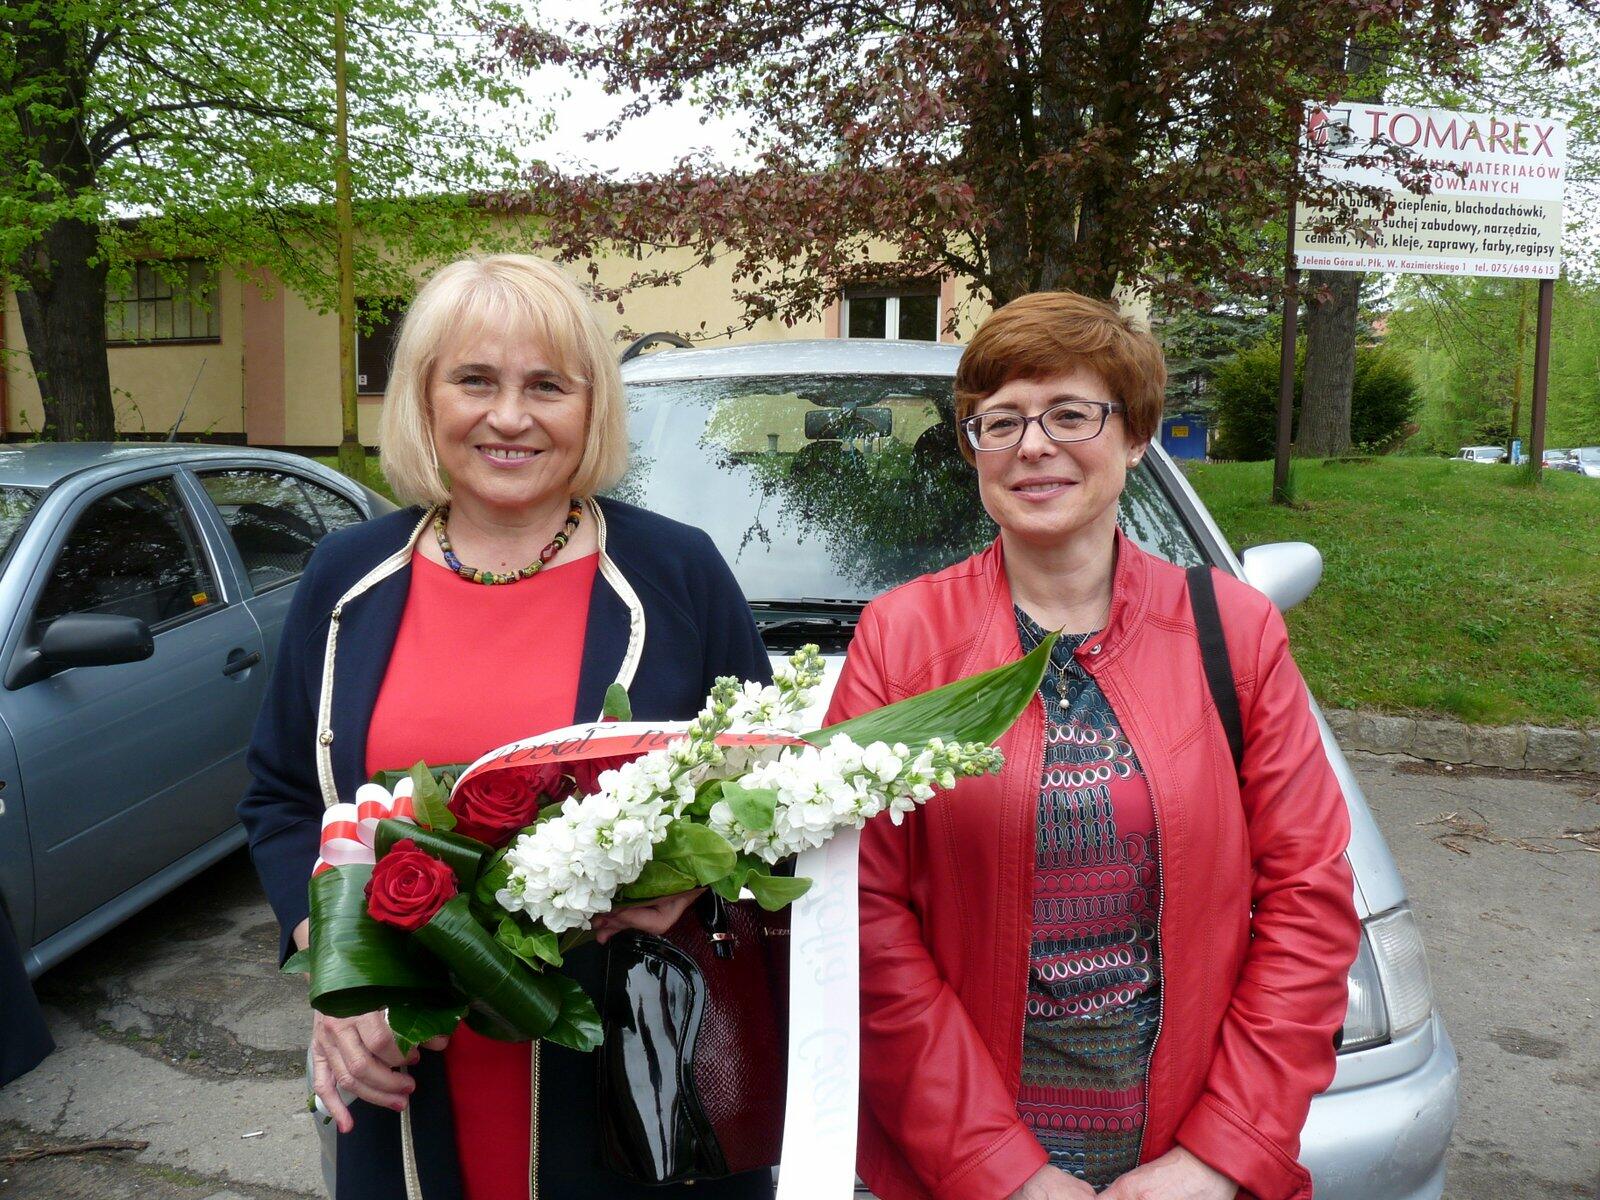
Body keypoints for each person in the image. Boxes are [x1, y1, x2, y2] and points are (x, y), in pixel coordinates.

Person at [239, 255, 773, 1200]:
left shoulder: (677, 572)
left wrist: (697, 889)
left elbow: (766, 794)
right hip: (407, 1066)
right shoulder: (346, 577)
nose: (511, 417)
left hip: (630, 1063)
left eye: (547, 387)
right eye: (476, 380)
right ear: (425, 397)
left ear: (592, 405)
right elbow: (283, 797)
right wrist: (334, 967)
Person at [826, 292, 1358, 1200]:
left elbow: (1309, 901)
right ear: (975, 449)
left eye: (1071, 414)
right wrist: (1002, 1171)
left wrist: (1221, 1155)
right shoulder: (903, 639)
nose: (1033, 446)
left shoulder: (1234, 631)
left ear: (1137, 434)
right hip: (959, 1162)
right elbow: (863, 921)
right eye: (1001, 421)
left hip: (1185, 1155)